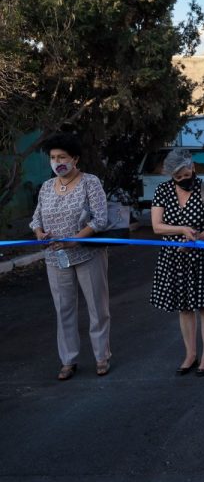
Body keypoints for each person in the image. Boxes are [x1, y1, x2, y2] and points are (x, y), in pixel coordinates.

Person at [30, 132, 111, 380]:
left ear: (75, 159)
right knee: (63, 309)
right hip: (55, 258)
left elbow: (100, 219)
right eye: (53, 157)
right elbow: (36, 218)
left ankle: (101, 357)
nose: (57, 162)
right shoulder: (46, 187)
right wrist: (38, 232)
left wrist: (76, 239)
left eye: (62, 156)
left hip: (87, 255)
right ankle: (68, 360)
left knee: (97, 308)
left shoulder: (90, 182)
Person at [150, 149, 204, 377]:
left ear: (193, 169)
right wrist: (182, 230)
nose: (183, 180)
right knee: (184, 307)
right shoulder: (162, 191)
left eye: (187, 175)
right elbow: (157, 226)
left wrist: (195, 240)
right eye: (178, 178)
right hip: (174, 257)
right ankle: (190, 354)